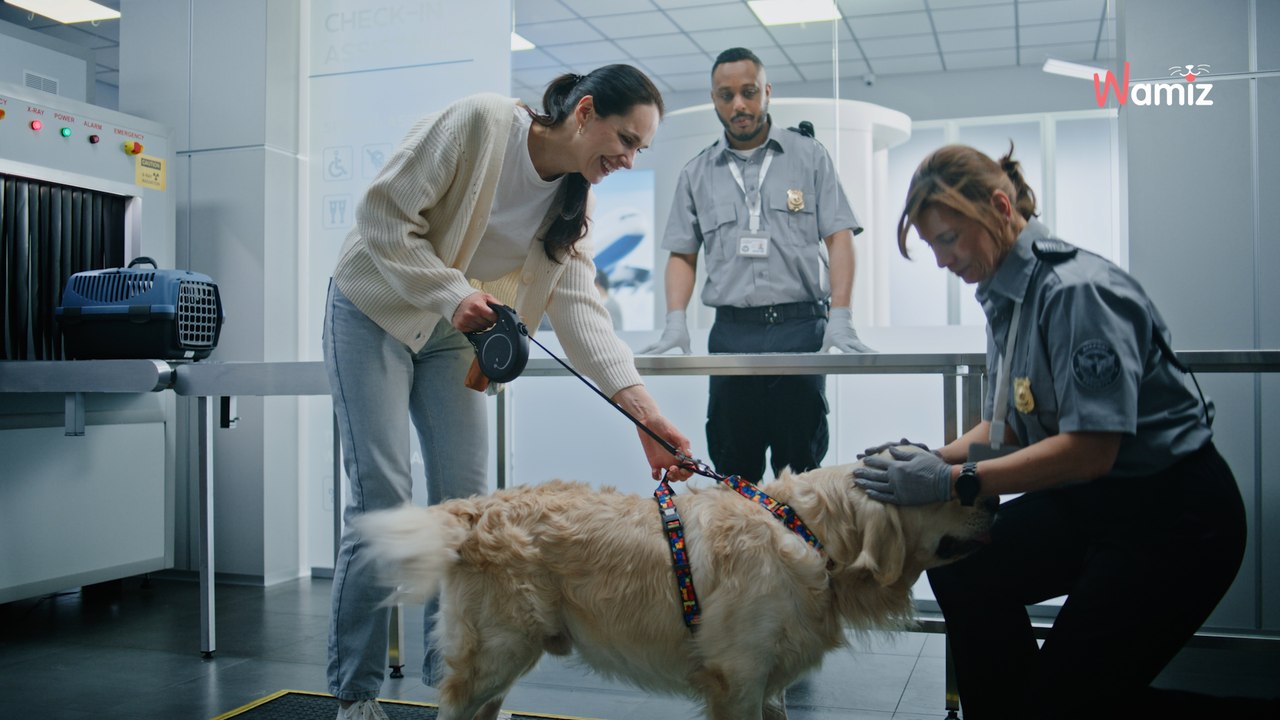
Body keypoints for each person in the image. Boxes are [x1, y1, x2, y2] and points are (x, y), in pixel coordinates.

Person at [323, 65, 693, 720]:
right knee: (382, 499)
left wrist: (644, 414)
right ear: (584, 111)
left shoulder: (572, 201)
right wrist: (453, 293)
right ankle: (355, 693)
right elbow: (382, 218)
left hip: (454, 336)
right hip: (373, 308)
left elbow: (582, 316)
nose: (630, 158)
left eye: (640, 149)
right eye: (627, 139)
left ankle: (462, 688)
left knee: (468, 511)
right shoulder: (482, 123)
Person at [853, 144, 1249, 719]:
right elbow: (1010, 428)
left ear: (999, 206)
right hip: (1090, 500)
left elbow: (1090, 450)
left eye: (947, 238)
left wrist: (950, 480)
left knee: (1071, 700)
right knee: (964, 570)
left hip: (1175, 515)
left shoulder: (1075, 291)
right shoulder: (1006, 294)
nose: (942, 260)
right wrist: (924, 458)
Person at [642, 47, 873, 483]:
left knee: (802, 475)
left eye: (749, 93)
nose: (739, 106)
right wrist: (675, 320)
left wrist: (840, 315)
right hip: (732, 335)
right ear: (714, 99)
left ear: (767, 91)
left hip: (800, 330)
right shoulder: (697, 173)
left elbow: (839, 236)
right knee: (734, 476)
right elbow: (683, 254)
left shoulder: (809, 156)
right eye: (726, 96)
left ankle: (802, 553)